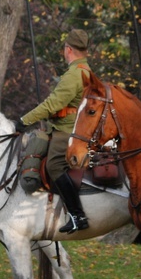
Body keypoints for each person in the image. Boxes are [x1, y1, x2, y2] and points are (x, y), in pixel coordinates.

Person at [15, 29, 91, 234]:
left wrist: (25, 120)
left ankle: (77, 215)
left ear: (68, 49)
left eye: (65, 49)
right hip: (70, 126)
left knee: (55, 165)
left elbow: (53, 104)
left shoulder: (74, 75)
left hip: (67, 129)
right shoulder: (86, 71)